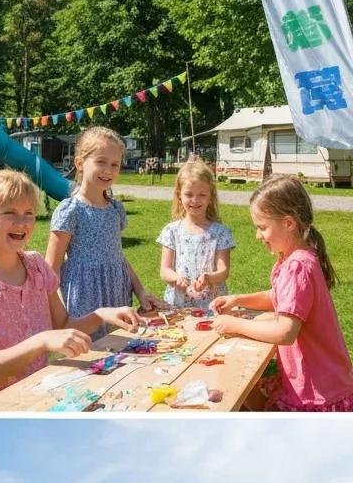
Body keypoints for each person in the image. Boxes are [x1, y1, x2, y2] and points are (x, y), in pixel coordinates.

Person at [0, 169, 142, 409]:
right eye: (9, 213)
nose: (21, 223)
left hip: (39, 391)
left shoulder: (36, 266)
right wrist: (40, 342)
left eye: (28, 213)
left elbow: (62, 325)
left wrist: (101, 314)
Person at [211, 175, 353, 411]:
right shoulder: (297, 257)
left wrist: (234, 324)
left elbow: (285, 331)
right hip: (322, 381)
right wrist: (238, 300)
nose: (258, 236)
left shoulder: (298, 266)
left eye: (262, 227)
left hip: (317, 390)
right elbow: (280, 297)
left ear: (288, 223)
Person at [45, 127, 163, 330]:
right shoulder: (70, 210)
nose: (108, 170)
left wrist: (140, 292)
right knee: (89, 354)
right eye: (101, 162)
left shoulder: (115, 209)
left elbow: (118, 256)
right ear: (80, 163)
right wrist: (58, 312)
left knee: (118, 352)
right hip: (85, 298)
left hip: (116, 291)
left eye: (114, 164)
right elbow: (51, 267)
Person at [157, 161, 234, 310]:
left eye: (202, 195)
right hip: (178, 304)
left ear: (210, 196)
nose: (195, 200)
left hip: (210, 305)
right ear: (179, 195)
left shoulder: (220, 233)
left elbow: (223, 271)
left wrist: (209, 278)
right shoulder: (172, 231)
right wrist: (176, 279)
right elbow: (164, 270)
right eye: (189, 194)